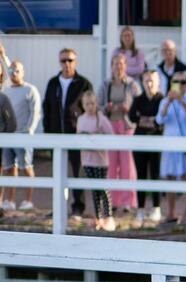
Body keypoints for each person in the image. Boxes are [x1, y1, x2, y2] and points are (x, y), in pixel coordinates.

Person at [44, 48, 91, 219]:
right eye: (63, 61)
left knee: (77, 172)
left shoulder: (83, 84)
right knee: (58, 174)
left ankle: (78, 207)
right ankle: (58, 207)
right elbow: (47, 109)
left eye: (70, 60)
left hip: (76, 136)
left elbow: (89, 108)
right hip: (56, 136)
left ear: (75, 62)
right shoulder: (53, 83)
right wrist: (48, 134)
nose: (66, 64)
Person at [101, 51, 138, 224]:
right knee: (111, 166)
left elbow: (138, 106)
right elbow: (98, 106)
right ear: (111, 66)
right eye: (115, 63)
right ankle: (112, 202)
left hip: (125, 127)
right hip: (109, 127)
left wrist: (127, 108)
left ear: (125, 66)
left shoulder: (132, 84)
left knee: (127, 167)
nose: (118, 67)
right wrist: (106, 107)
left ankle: (127, 202)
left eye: (121, 64)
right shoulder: (105, 84)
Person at [156, 72, 186, 223]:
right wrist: (168, 102)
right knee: (170, 177)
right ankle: (171, 213)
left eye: (182, 81)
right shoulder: (165, 101)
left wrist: (181, 101)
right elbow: (160, 120)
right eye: (176, 81)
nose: (179, 84)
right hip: (170, 143)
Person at [1, 61, 38, 213]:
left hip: (23, 136)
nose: (13, 73)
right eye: (11, 70)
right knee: (9, 168)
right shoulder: (7, 90)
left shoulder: (30, 90)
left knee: (26, 167)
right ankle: (9, 200)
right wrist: (3, 55)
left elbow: (35, 113)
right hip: (8, 136)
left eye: (17, 70)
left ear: (23, 71)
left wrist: (29, 131)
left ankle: (28, 200)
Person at [73, 89, 112, 229]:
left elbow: (110, 134)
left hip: (100, 160)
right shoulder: (81, 119)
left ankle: (108, 217)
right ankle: (98, 217)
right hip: (87, 160)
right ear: (83, 105)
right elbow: (78, 137)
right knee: (94, 190)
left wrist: (98, 138)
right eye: (87, 104)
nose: (90, 106)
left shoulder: (101, 118)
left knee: (103, 189)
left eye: (93, 103)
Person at [129, 69, 163, 222]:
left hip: (157, 141)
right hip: (140, 141)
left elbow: (161, 120)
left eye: (152, 81)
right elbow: (132, 116)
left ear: (158, 82)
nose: (149, 84)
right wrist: (150, 120)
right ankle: (141, 209)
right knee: (141, 175)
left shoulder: (162, 99)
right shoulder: (138, 99)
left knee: (155, 174)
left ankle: (156, 208)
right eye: (146, 81)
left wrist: (147, 120)